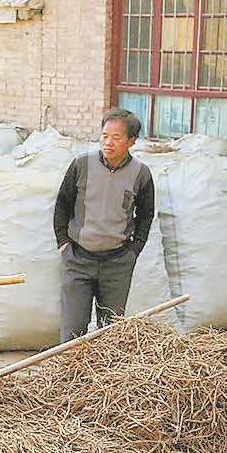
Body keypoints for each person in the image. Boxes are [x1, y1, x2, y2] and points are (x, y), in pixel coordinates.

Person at [53, 107, 156, 343]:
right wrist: (63, 244)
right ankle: (71, 379)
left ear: (131, 141)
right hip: (78, 259)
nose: (108, 142)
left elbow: (146, 215)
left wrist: (134, 251)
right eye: (104, 135)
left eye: (116, 137)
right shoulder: (82, 165)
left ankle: (102, 379)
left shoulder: (141, 174)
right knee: (72, 334)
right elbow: (62, 205)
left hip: (118, 263)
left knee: (111, 334)